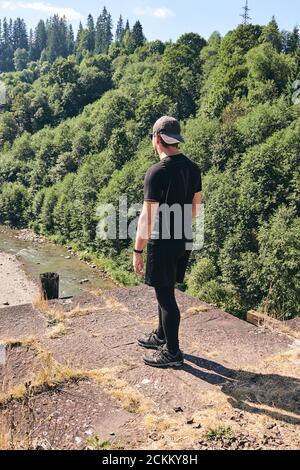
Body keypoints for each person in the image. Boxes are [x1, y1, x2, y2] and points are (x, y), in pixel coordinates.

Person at [133, 116, 202, 369]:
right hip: (183, 238)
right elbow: (196, 210)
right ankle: (161, 336)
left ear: (157, 139)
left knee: (165, 297)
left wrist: (137, 250)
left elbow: (146, 218)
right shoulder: (193, 168)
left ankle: (173, 353)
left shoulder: (156, 172)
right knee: (166, 289)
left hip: (162, 242)